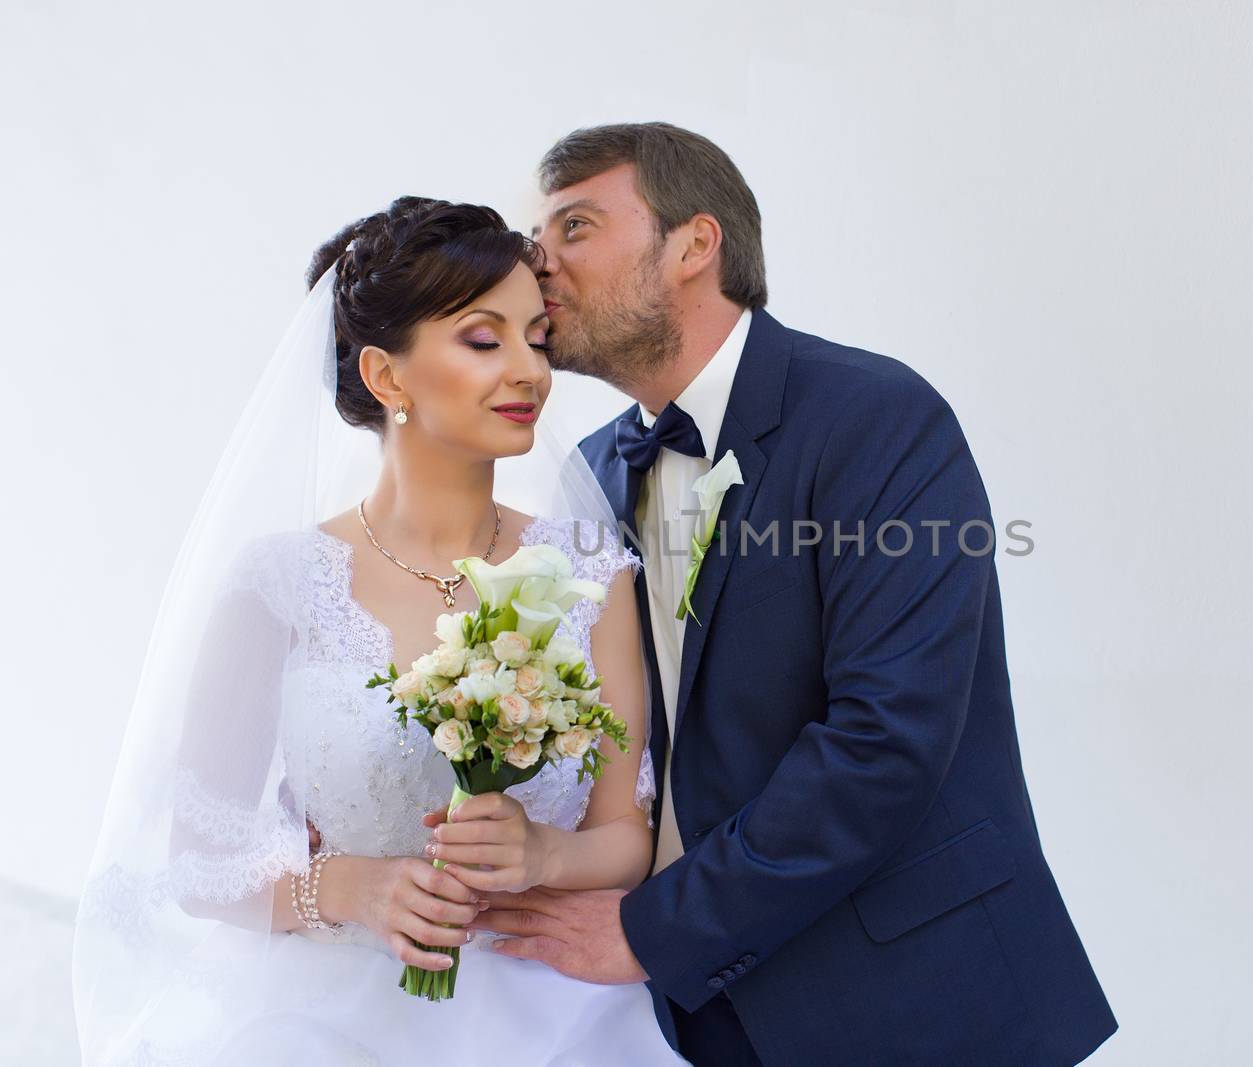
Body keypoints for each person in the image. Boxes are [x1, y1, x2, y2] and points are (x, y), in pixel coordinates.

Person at [466, 123, 1119, 1066]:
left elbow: (884, 743)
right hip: (697, 1018)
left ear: (695, 245)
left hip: (915, 1001)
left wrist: (658, 930)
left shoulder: (879, 417)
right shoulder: (595, 469)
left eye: (574, 226)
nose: (539, 264)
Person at [72, 196, 684, 1066]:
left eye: (537, 338)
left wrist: (543, 851)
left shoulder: (589, 570)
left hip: (547, 1010)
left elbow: (627, 835)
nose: (531, 371)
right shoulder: (278, 583)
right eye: (484, 340)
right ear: (387, 376)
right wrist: (349, 886)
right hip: (319, 1012)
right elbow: (199, 857)